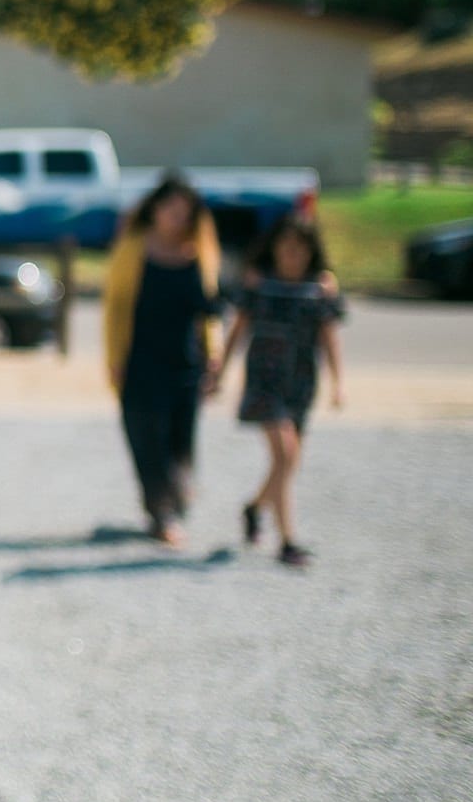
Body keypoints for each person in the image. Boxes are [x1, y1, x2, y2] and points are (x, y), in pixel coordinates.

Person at [211, 214, 346, 568]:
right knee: (285, 456)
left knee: (287, 462)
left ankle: (255, 507)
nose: (292, 255)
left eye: (300, 249)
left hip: (300, 384)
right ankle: (288, 542)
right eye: (286, 247)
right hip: (264, 383)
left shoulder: (319, 290)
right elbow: (237, 331)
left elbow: (329, 337)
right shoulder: (258, 286)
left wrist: (338, 383)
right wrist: (220, 373)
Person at [102, 177, 224, 545]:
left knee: (180, 439)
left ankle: (175, 499)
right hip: (140, 359)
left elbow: (210, 309)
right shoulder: (133, 249)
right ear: (154, 210)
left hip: (186, 361)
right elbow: (115, 307)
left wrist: (214, 356)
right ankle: (161, 512)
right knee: (145, 437)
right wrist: (113, 358)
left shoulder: (200, 252)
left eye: (184, 211)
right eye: (170, 208)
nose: (176, 217)